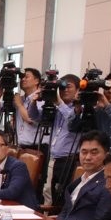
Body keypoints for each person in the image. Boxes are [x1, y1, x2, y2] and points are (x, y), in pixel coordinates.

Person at [27, 73, 80, 204]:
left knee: (64, 195)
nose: (64, 90)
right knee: (48, 192)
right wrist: (33, 102)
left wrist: (59, 103)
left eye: (68, 87)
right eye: (61, 88)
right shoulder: (56, 108)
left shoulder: (80, 108)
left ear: (78, 90)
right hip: (54, 158)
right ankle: (49, 214)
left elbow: (72, 120)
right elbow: (34, 117)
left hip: (70, 159)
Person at [50, 131, 111, 220]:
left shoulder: (108, 183)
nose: (88, 157)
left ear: (107, 156)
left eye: (94, 153)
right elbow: (66, 210)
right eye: (84, 152)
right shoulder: (79, 181)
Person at [0, 67, 42, 149]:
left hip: (37, 147)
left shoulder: (40, 98)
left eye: (26, 77)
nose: (23, 79)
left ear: (37, 81)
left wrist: (19, 105)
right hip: (21, 146)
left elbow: (30, 119)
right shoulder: (20, 99)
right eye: (21, 77)